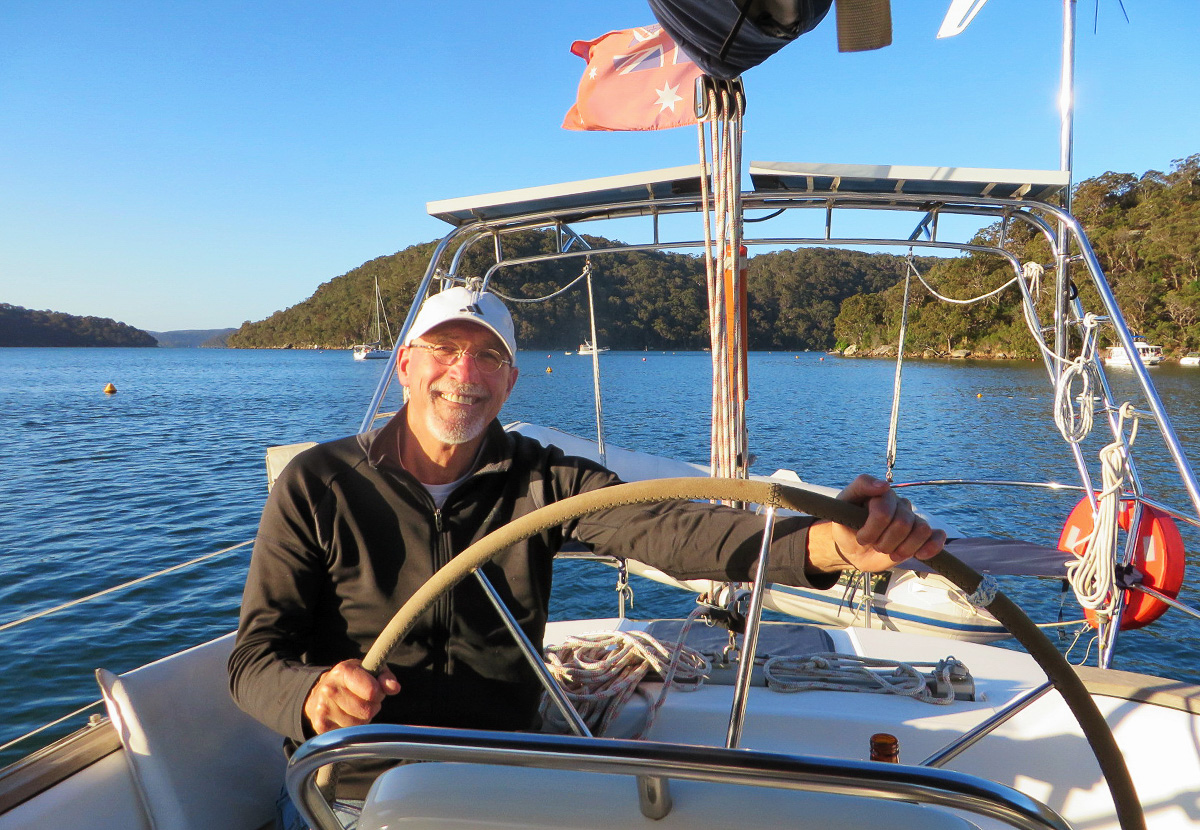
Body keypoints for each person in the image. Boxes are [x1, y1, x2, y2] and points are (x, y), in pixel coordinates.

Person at [228, 285, 944, 821]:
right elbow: (253, 660)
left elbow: (673, 529)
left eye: (488, 356)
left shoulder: (545, 480)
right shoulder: (318, 484)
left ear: (510, 381)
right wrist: (313, 696)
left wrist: (828, 543)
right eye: (445, 350)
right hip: (355, 784)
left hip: (504, 775)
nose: (465, 373)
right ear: (406, 366)